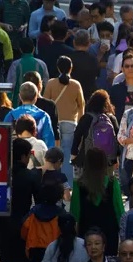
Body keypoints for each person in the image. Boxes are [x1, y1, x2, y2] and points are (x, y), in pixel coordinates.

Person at [70, 148, 125, 256]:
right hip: (109, 233)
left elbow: (74, 213)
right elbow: (119, 211)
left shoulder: (78, 184)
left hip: (86, 234)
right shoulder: (112, 183)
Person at [44, 55, 85, 186]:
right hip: (70, 123)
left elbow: (46, 103)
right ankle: (67, 184)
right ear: (71, 68)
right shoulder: (76, 84)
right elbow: (81, 105)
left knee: (52, 154)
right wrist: (80, 122)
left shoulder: (50, 83)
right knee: (67, 156)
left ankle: (52, 182)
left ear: (57, 67)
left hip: (54, 123)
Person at [21, 183, 66, 262]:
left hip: (35, 249)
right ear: (59, 196)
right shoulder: (61, 214)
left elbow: (24, 228)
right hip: (54, 249)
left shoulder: (34, 212)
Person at [70, 90, 119, 177]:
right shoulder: (111, 119)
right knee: (106, 183)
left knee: (86, 184)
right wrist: (116, 158)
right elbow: (117, 139)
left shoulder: (86, 118)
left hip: (87, 158)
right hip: (107, 160)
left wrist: (74, 154)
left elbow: (77, 136)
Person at [4, 82, 56, 148]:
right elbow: (49, 142)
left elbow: (5, 138)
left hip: (15, 154)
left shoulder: (11, 115)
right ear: (36, 96)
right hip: (37, 154)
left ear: (20, 96)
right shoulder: (43, 116)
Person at [6, 37, 49, 107]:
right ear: (34, 49)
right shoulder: (41, 64)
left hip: (18, 104)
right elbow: (46, 84)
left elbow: (10, 85)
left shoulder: (16, 65)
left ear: (20, 50)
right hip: (39, 104)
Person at [23, 71, 61, 147]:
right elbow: (55, 131)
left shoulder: (22, 106)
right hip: (45, 147)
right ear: (40, 85)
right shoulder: (50, 105)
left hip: (25, 146)